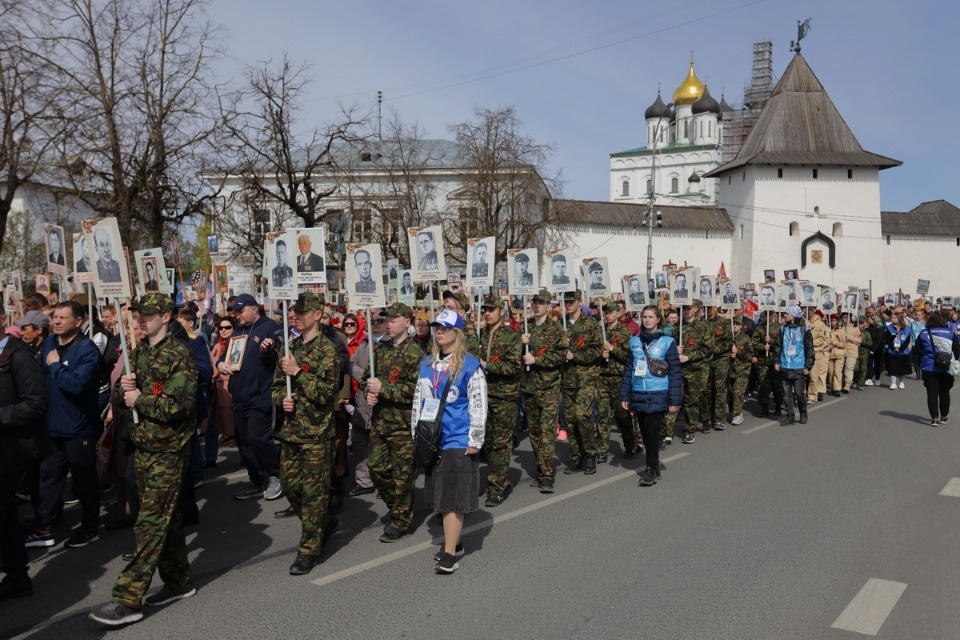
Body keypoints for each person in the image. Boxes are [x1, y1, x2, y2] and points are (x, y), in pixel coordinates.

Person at [88, 293, 198, 627]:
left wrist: (141, 399)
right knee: (167, 518)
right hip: (144, 446)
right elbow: (124, 396)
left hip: (169, 448)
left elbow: (179, 405)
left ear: (165, 317)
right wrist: (125, 389)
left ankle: (128, 598)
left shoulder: (180, 353)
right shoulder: (141, 351)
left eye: (148, 315)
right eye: (139, 315)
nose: (141, 320)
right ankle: (179, 581)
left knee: (150, 522)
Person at [270, 293, 340, 575]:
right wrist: (281, 400)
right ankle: (322, 524)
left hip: (317, 433)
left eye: (301, 311)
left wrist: (298, 372)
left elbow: (325, 394)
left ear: (318, 315)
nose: (294, 315)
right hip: (291, 431)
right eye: (293, 312)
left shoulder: (327, 350)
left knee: (313, 494)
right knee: (289, 486)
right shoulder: (290, 348)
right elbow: (276, 386)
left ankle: (309, 549)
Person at [411, 309, 486, 573]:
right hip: (433, 438)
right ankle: (457, 543)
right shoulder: (427, 365)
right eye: (436, 328)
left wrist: (475, 438)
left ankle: (449, 552)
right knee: (442, 495)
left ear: (457, 332)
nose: (439, 331)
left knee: (452, 497)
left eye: (445, 327)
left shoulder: (470, 365)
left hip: (458, 437)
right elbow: (418, 403)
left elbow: (478, 404)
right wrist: (416, 436)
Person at [26, 301, 104, 550]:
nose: (56, 321)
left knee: (84, 481)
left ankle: (90, 527)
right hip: (52, 426)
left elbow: (78, 385)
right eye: (55, 317)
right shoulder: (49, 343)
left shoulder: (87, 350)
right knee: (48, 478)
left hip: (79, 428)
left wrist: (56, 365)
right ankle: (43, 527)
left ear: (78, 321)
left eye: (62, 317)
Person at [363, 302, 422, 542]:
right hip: (381, 421)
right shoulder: (382, 348)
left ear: (407, 323)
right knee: (376, 468)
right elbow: (369, 375)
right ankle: (397, 505)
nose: (389, 324)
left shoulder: (416, 353)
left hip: (402, 424)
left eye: (394, 320)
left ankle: (401, 520)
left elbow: (415, 391)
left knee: (402, 475)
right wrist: (370, 389)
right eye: (387, 320)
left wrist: (383, 389)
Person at [216, 294, 284, 501]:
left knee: (258, 437)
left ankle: (275, 476)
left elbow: (279, 354)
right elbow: (224, 356)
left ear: (255, 308)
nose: (237, 316)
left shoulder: (269, 326)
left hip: (260, 394)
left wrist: (269, 348)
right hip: (239, 395)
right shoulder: (238, 332)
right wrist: (220, 364)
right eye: (235, 312)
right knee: (244, 443)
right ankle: (256, 480)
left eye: (240, 311)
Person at [0, 328, 47, 601]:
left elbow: (36, 403)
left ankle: (17, 575)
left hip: (13, 450)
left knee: (4, 513)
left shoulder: (19, 355)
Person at [620, 305, 681, 486]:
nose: (647, 320)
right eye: (644, 317)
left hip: (658, 393)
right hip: (638, 393)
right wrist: (624, 395)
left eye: (651, 317)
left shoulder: (667, 342)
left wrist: (674, 400)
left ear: (657, 320)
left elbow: (676, 372)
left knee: (651, 432)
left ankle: (649, 469)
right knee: (645, 434)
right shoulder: (634, 342)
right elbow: (629, 370)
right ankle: (654, 467)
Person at [477, 294, 522, 506]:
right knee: (486, 443)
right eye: (485, 309)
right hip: (482, 396)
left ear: (501, 312)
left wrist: (487, 365)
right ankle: (494, 478)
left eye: (491, 309)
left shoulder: (511, 336)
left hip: (504, 396)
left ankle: (498, 486)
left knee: (500, 443)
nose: (487, 313)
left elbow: (513, 366)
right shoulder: (480, 335)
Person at [520, 289, 565, 492]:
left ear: (549, 306)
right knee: (535, 432)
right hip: (529, 387)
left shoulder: (556, 330)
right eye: (534, 302)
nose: (537, 305)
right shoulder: (525, 327)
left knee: (547, 432)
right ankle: (540, 469)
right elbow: (514, 357)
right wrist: (521, 345)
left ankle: (547, 475)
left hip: (548, 387)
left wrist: (537, 359)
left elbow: (561, 356)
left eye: (541, 303)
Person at [560, 290, 603, 474]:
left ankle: (590, 453)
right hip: (567, 378)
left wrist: (574, 355)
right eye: (566, 302)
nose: (568, 304)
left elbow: (597, 351)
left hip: (585, 376)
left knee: (582, 415)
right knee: (570, 421)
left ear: (579, 302)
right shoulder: (560, 325)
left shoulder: (590, 324)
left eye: (572, 301)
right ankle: (576, 456)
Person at [598, 302, 636, 459]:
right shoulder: (601, 332)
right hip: (602, 378)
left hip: (619, 378)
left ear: (618, 314)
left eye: (611, 312)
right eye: (606, 312)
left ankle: (630, 445)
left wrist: (613, 350)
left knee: (622, 415)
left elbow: (630, 357)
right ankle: (602, 450)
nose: (608, 315)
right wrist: (601, 354)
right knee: (602, 415)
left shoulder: (625, 333)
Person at [915, 310, 960, 425]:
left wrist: (922, 360)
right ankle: (944, 416)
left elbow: (917, 350)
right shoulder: (950, 332)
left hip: (929, 367)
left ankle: (934, 418)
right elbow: (956, 349)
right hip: (946, 367)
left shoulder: (924, 333)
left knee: (932, 393)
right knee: (945, 392)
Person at [772, 305, 813, 426]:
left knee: (799, 394)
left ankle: (803, 413)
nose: (784, 315)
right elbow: (778, 347)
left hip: (799, 366)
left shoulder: (804, 329)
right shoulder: (783, 329)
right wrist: (776, 361)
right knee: (786, 394)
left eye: (787, 313)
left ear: (794, 315)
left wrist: (808, 366)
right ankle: (790, 416)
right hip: (785, 366)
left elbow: (809, 349)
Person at [884, 311, 913, 390]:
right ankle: (893, 383)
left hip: (903, 351)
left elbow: (907, 340)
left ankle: (901, 382)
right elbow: (887, 340)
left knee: (902, 368)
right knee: (893, 367)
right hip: (892, 351)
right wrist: (894, 348)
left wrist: (900, 349)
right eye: (892, 318)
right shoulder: (889, 328)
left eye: (894, 318)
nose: (892, 319)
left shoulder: (907, 328)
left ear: (899, 318)